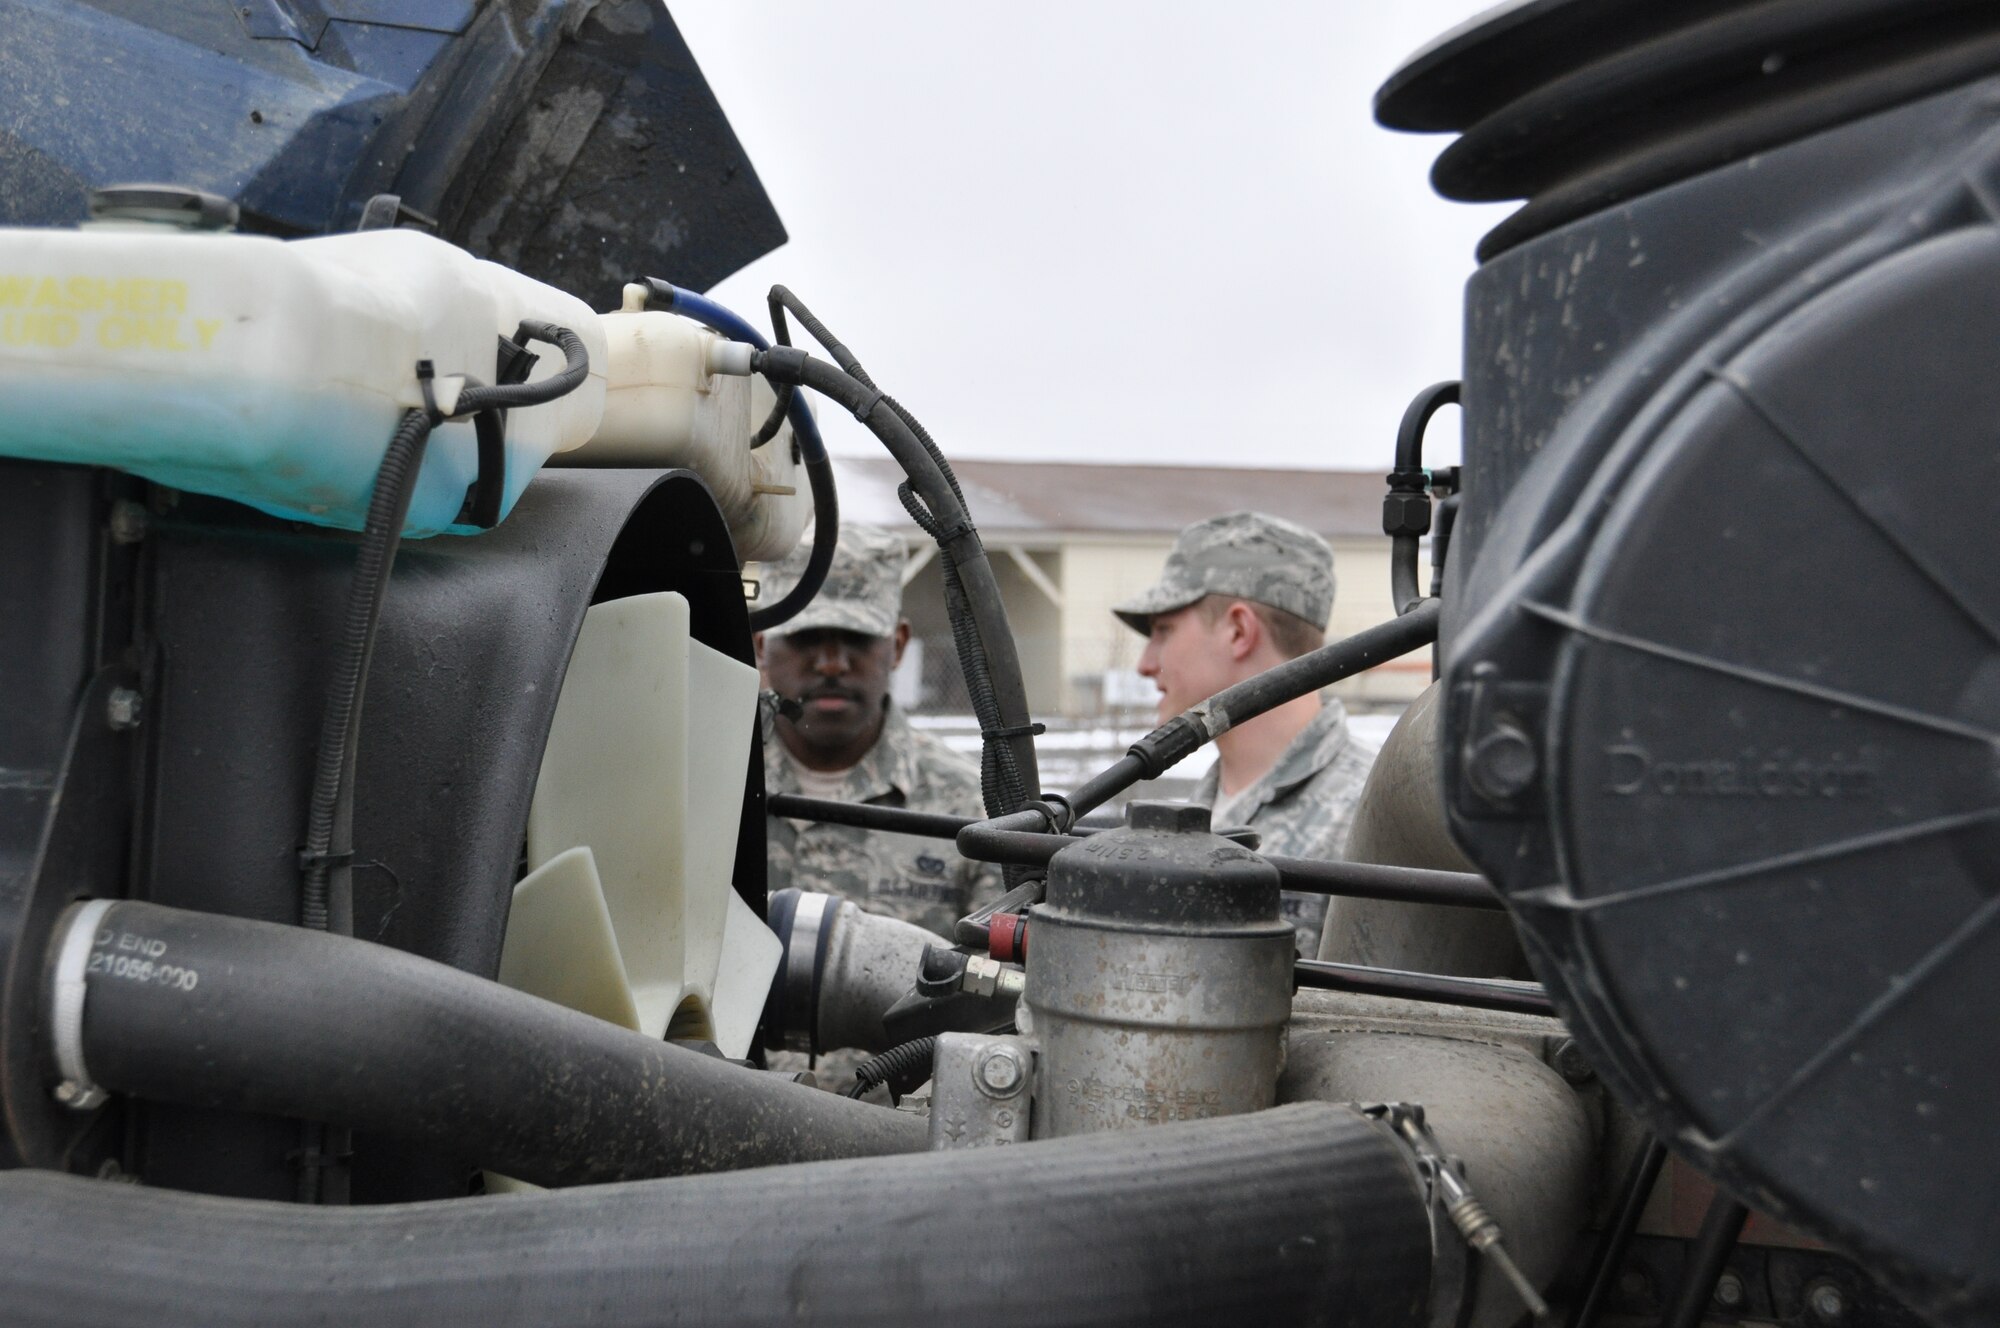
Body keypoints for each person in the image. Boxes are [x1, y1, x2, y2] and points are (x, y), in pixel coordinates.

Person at [1112, 511, 1373, 955]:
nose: (1145, 662)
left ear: (1238, 631)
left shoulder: (1371, 816)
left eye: (1163, 630)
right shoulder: (1206, 806)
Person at [755, 524, 1000, 939]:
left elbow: (996, 984)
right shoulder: (703, 784)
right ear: (761, 644)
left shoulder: (971, 807)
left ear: (898, 644)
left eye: (856, 637)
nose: (832, 663)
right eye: (806, 637)